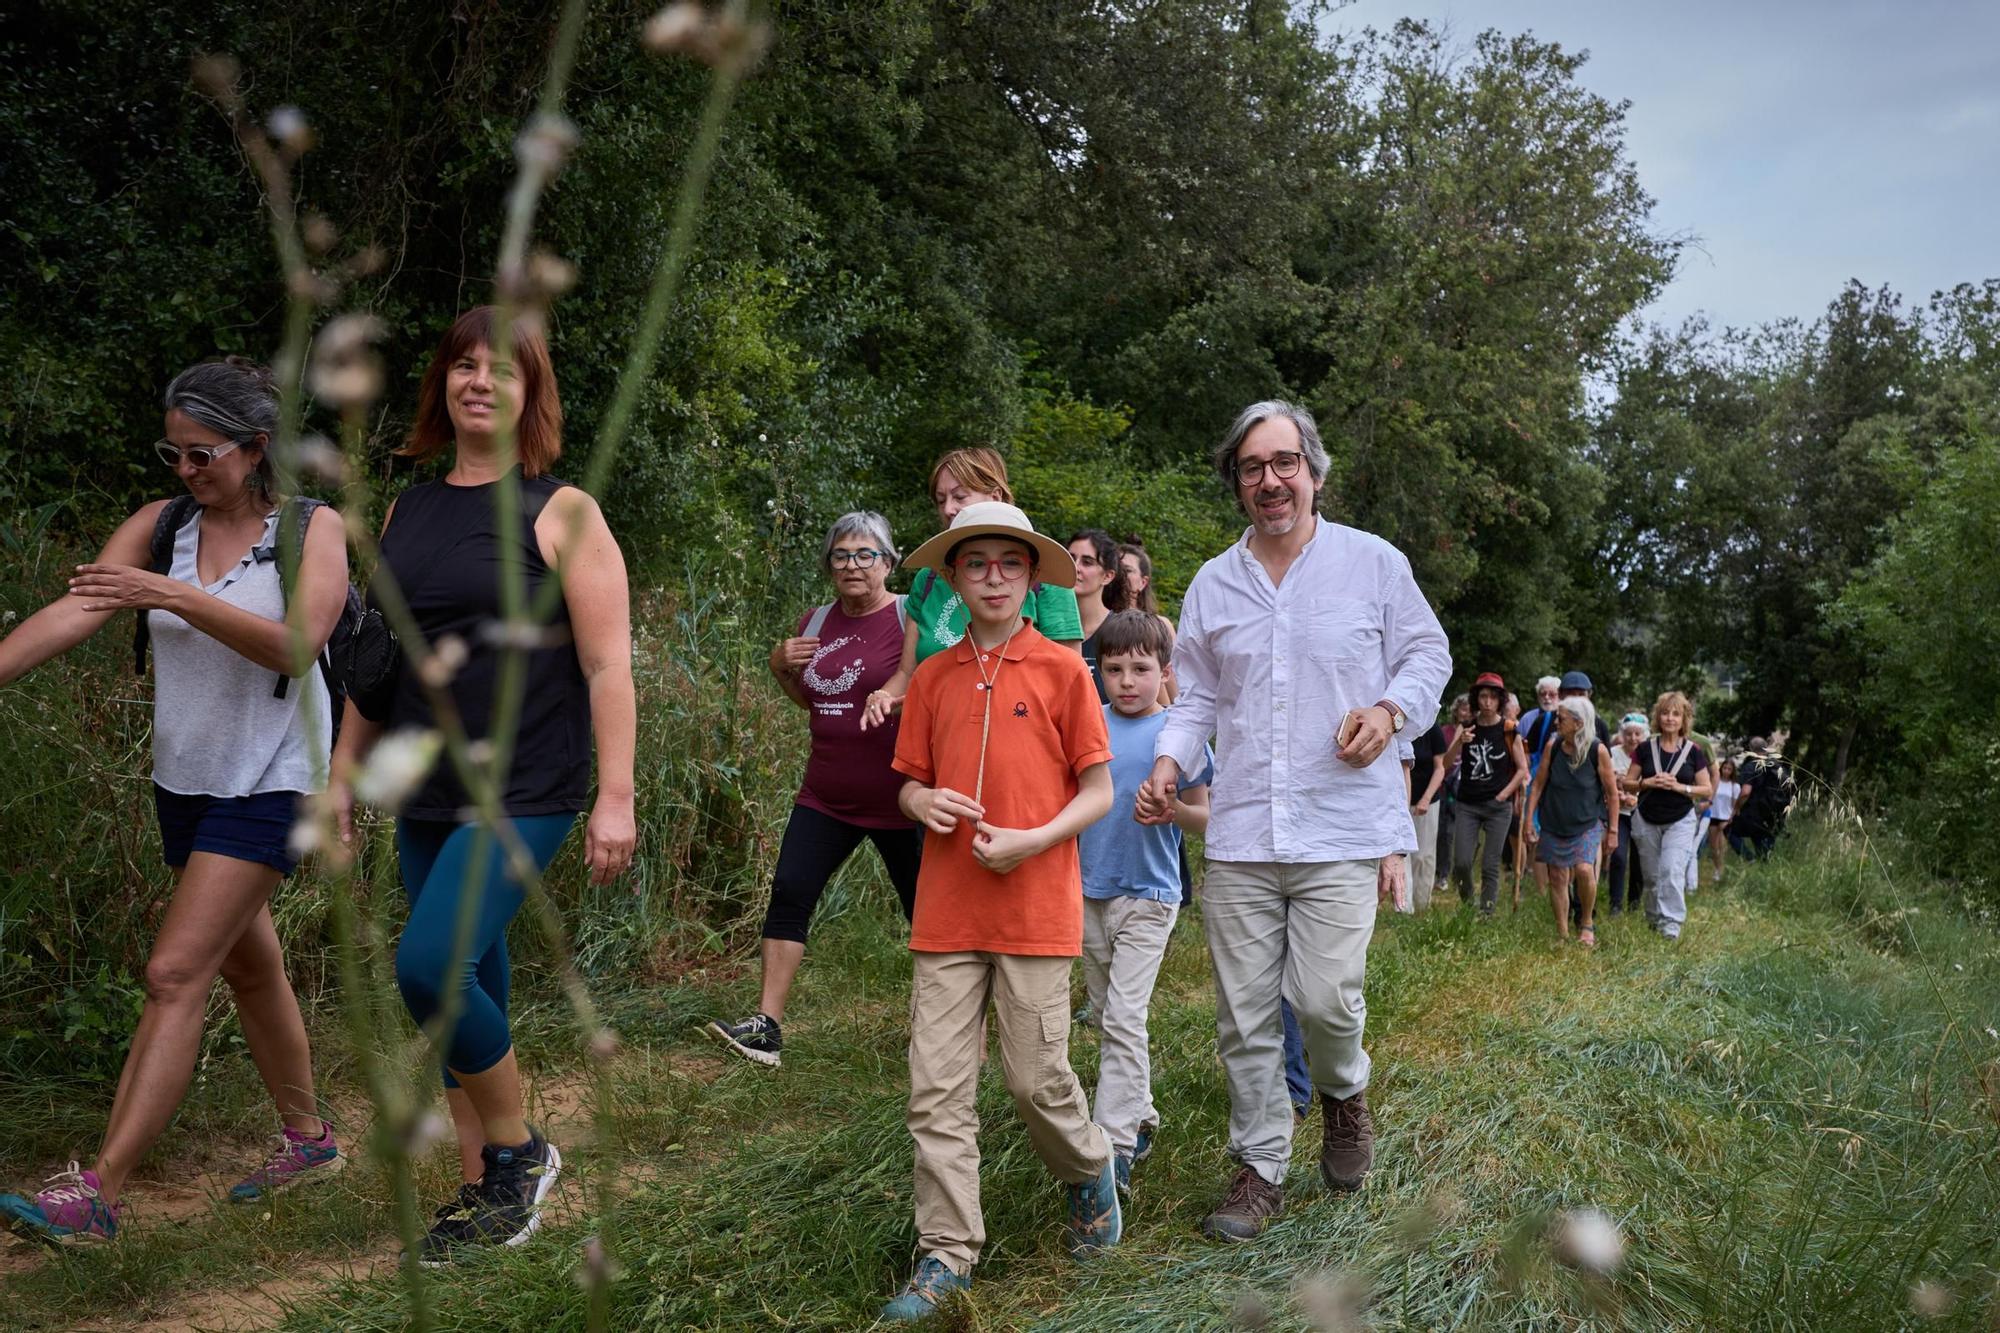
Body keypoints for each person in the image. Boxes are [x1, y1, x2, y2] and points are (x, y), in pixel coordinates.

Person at [0, 358, 347, 1246]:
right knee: (246, 964)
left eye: (205, 454)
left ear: (256, 447)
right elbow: (76, 610)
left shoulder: (312, 530)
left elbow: (296, 646)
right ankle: (309, 1140)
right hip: (185, 782)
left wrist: (168, 594)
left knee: (173, 972)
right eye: (174, 453)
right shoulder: (161, 527)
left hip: (273, 780)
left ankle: (97, 1195)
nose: (186, 471)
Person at [329, 308, 636, 1263]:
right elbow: (377, 663)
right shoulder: (405, 511)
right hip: (425, 784)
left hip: (527, 783)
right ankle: (485, 1196)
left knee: (430, 968)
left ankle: (521, 1152)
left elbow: (607, 666)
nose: (479, 382)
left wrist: (615, 795)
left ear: (529, 393)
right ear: (442, 385)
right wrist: (341, 777)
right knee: (475, 974)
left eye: (502, 369)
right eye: (463, 365)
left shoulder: (563, 511)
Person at [1140, 400, 1449, 1242]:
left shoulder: (1373, 565)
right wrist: (1168, 762)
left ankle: (1344, 1093)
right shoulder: (1214, 582)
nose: (1269, 481)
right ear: (1237, 482)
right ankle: (1259, 1167)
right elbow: (1196, 693)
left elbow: (1430, 653)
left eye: (1284, 463)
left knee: (1322, 998)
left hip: (1342, 824)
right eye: (1251, 467)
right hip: (1240, 828)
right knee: (1242, 1013)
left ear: (1314, 471)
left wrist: (1390, 711)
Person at [879, 500, 1119, 1320]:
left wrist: (1034, 838)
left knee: (1034, 1078)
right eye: (974, 562)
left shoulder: (1060, 669)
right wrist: (921, 803)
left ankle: (1089, 1171)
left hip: (1036, 907)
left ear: (1030, 576)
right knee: (935, 1090)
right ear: (952, 575)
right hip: (946, 913)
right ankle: (946, 1254)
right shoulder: (935, 678)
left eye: (1007, 563)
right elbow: (906, 779)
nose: (991, 576)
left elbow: (1099, 790)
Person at [706, 513, 923, 1067]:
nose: (852, 565)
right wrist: (780, 668)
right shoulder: (817, 619)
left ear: (889, 561)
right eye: (841, 555)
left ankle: (945, 1028)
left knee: (927, 916)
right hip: (826, 794)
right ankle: (766, 1028)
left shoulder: (908, 615)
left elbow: (927, 691)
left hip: (902, 801)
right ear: (828, 565)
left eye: (865, 554)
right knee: (790, 892)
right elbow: (816, 702)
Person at [1076, 611, 1212, 1196]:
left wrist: (1174, 812)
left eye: (1141, 669)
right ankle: (1144, 1116)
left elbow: (1208, 818)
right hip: (1086, 892)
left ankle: (1114, 1150)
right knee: (1108, 1017)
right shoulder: (1087, 726)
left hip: (1150, 895)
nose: (1127, 681)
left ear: (1165, 672)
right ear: (1098, 672)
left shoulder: (1177, 739)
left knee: (1126, 1020)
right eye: (1114, 669)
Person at [861, 448, 1082, 729]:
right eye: (940, 500)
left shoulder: (1046, 578)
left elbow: (1069, 685)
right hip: (941, 740)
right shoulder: (929, 580)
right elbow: (908, 673)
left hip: (1025, 740)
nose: (948, 509)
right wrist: (882, 697)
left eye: (960, 496)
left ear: (996, 496)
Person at [1524, 697, 1619, 947]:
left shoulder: (1598, 750)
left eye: (1561, 718)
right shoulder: (1552, 746)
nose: (1556, 722)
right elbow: (1538, 785)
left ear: (1577, 723)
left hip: (1587, 822)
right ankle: (1563, 933)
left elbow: (1611, 793)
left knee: (1585, 869)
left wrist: (1613, 831)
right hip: (1554, 821)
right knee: (1557, 876)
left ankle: (1586, 923)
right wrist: (1528, 820)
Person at [1619, 691, 1712, 941]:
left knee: (1671, 870)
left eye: (1675, 714)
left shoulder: (1693, 751)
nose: (1669, 718)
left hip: (1680, 819)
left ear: (1684, 720)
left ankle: (1670, 926)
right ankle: (1653, 918)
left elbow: (1707, 788)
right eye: (1665, 713)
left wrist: (1681, 787)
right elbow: (1628, 783)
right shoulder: (1645, 749)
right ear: (1657, 718)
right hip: (1647, 818)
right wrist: (1647, 782)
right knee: (1651, 876)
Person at [1443, 673, 1528, 917]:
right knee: (1461, 863)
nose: (1487, 702)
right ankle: (1468, 905)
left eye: (1492, 697)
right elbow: (1446, 764)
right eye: (1482, 696)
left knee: (1491, 865)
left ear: (1500, 700)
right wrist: (1460, 742)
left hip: (1497, 806)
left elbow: (1522, 769)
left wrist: (1504, 795)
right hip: (1468, 803)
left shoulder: (1509, 728)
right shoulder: (1467, 726)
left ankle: (1486, 914)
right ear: (1476, 698)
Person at [1067, 528, 1126, 701]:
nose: (1075, 567)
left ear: (1107, 576)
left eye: (1087, 562)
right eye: (1070, 559)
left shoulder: (1124, 632)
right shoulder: (1043, 629)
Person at [1603, 714, 1648, 915]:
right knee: (1619, 856)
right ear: (1622, 735)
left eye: (1637, 734)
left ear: (1643, 735)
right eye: (1629, 734)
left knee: (1639, 860)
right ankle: (1615, 903)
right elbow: (1607, 781)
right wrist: (1620, 795)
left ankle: (1634, 902)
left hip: (1641, 812)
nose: (1633, 738)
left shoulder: (1648, 754)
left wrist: (1635, 798)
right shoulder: (1612, 753)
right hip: (1618, 813)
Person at [1406, 711, 1449, 912]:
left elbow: (1440, 768)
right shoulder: (1400, 729)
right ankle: (1404, 907)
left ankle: (1422, 903)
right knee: (1402, 854)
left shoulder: (1433, 729)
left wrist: (1425, 798)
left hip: (1427, 801)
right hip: (1401, 801)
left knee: (1423, 855)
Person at [1730, 738, 1794, 860]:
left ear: (1751, 749)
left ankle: (1749, 858)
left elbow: (1745, 792)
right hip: (1775, 815)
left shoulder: (1751, 766)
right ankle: (1762, 866)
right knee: (1765, 853)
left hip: (1754, 814)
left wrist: (1737, 808)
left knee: (1731, 832)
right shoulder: (1777, 766)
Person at [1707, 758, 1739, 883]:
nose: (1726, 771)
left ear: (1732, 771)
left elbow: (1735, 805)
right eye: (1724, 768)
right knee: (1713, 846)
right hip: (1713, 815)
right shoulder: (1715, 782)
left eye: (1729, 769)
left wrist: (1731, 818)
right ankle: (1717, 868)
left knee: (1722, 845)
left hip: (1725, 817)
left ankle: (1722, 869)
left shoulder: (1734, 786)